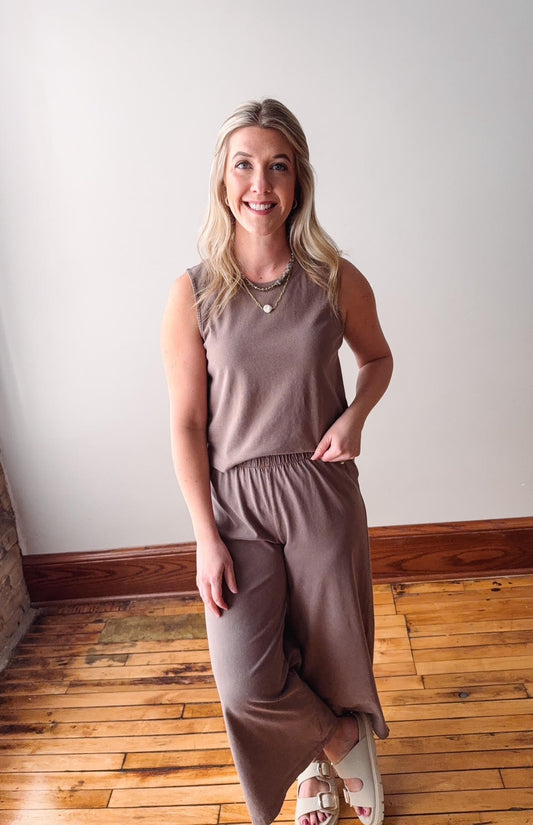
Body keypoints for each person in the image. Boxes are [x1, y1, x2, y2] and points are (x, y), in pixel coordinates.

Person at [161, 98, 393, 825]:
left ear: (297, 182)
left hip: (318, 485)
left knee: (328, 645)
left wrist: (355, 415)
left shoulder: (331, 277)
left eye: (277, 166)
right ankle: (335, 738)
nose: (259, 183)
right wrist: (204, 536)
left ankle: (315, 772)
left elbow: (378, 359)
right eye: (244, 164)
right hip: (233, 502)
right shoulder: (191, 292)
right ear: (223, 179)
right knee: (245, 676)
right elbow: (187, 422)